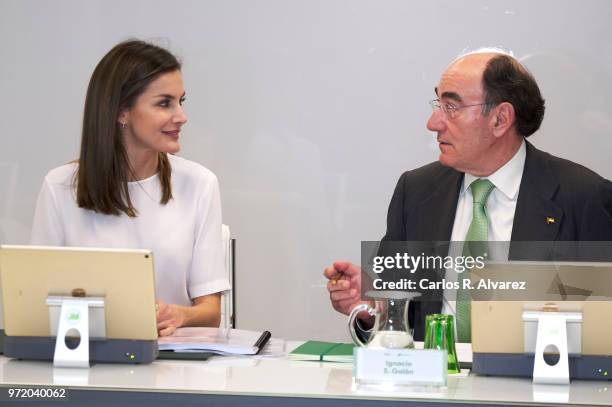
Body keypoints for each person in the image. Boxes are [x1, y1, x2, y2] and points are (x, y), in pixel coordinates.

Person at [325, 48, 612, 341]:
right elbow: (398, 323)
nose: (433, 122)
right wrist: (371, 308)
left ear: (500, 119)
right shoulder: (416, 191)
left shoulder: (582, 197)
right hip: (431, 382)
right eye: (439, 104)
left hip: (531, 383)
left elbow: (602, 331)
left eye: (451, 107)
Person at [30, 40, 230, 337]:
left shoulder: (200, 184)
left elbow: (211, 312)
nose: (181, 116)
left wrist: (178, 314)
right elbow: (35, 304)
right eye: (164, 103)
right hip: (87, 361)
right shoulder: (59, 187)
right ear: (121, 111)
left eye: (181, 101)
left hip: (172, 365)